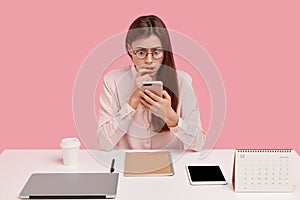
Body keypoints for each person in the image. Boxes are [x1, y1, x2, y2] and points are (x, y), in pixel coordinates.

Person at [97, 15, 205, 151]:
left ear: (165, 51)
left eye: (156, 52)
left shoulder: (183, 82)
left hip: (172, 166)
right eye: (141, 52)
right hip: (127, 166)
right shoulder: (112, 81)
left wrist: (172, 118)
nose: (149, 60)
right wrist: (132, 103)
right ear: (130, 49)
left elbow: (199, 143)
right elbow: (104, 143)